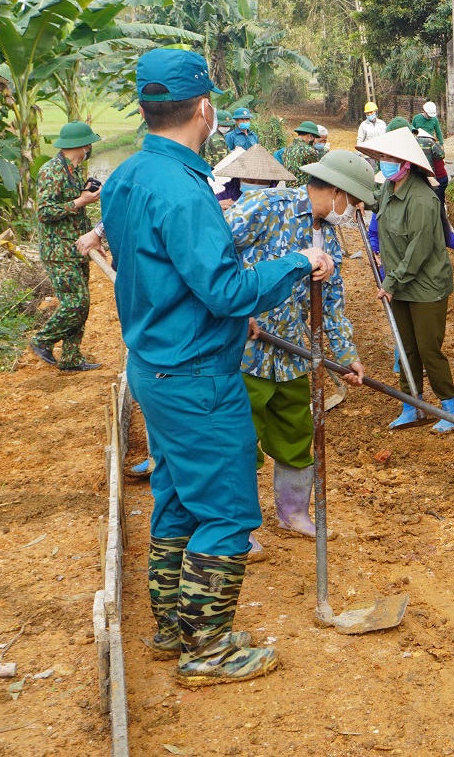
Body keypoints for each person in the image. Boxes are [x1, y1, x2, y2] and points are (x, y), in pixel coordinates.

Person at [101, 47, 335, 687]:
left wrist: (229, 315)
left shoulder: (125, 177)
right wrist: (298, 265)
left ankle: (172, 627)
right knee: (228, 511)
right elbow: (227, 288)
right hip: (198, 375)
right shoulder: (183, 189)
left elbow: (156, 269)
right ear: (204, 109)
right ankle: (207, 649)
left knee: (177, 496)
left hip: (155, 363)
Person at [228, 150, 372, 546]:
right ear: (337, 191)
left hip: (292, 355)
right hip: (244, 353)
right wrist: (234, 310)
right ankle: (237, 529)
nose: (355, 211)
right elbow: (212, 255)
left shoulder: (329, 238)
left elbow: (332, 306)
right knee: (240, 440)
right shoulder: (266, 207)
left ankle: (292, 513)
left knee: (296, 433)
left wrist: (346, 357)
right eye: (355, 202)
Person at [358, 127, 454, 432]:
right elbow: (375, 201)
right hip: (399, 283)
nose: (383, 163)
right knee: (405, 347)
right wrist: (357, 199)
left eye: (389, 158)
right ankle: (411, 405)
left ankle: (450, 408)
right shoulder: (389, 188)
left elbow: (418, 251)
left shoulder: (423, 200)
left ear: (405, 164)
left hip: (426, 286)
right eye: (382, 157)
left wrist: (390, 282)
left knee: (428, 348)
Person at [31, 121, 105, 373]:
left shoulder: (74, 171)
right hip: (58, 251)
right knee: (76, 303)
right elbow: (44, 212)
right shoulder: (51, 171)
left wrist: (94, 237)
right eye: (89, 144)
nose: (90, 148)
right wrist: (80, 201)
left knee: (81, 305)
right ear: (81, 145)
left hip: (76, 247)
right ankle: (42, 339)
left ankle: (71, 358)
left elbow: (78, 214)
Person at [388, 116, 449, 200]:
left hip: (407, 184)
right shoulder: (428, 142)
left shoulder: (393, 149)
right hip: (430, 181)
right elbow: (441, 155)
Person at [215, 144, 294, 207]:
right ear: (239, 179)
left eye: (262, 182)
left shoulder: (277, 201)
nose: (256, 184)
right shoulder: (223, 195)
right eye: (250, 180)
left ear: (270, 182)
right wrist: (217, 212)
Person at [282, 121, 325, 186]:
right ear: (310, 136)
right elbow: (316, 171)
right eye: (314, 137)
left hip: (289, 190)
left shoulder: (287, 148)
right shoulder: (308, 150)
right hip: (303, 191)